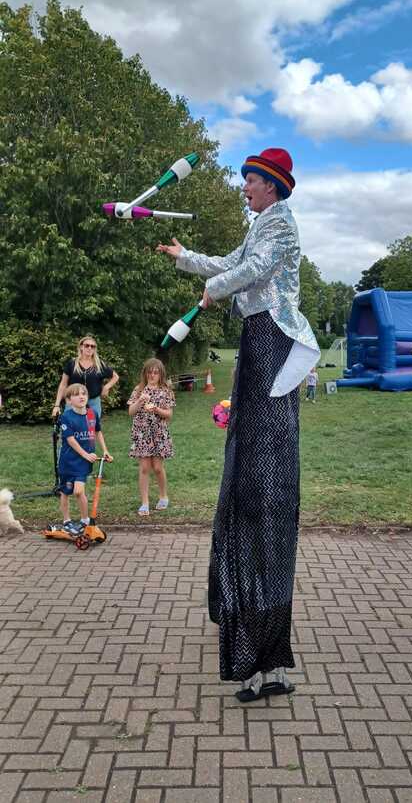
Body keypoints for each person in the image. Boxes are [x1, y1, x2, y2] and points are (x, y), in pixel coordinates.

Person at [157, 147, 319, 702]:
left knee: (262, 484)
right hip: (257, 343)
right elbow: (232, 262)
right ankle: (256, 639)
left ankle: (265, 651)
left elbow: (248, 273)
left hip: (274, 342)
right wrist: (185, 257)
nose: (244, 188)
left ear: (270, 186)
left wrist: (215, 289)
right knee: (247, 485)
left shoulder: (281, 226)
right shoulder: (260, 225)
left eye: (249, 181)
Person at [58, 383, 113, 536]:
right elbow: (70, 440)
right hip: (68, 461)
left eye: (84, 393)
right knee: (65, 491)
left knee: (78, 491)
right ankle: (66, 521)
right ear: (69, 400)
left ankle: (84, 520)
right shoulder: (66, 417)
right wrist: (85, 454)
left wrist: (105, 450)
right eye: (76, 394)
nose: (81, 396)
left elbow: (98, 432)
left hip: (83, 463)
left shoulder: (93, 413)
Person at [127, 358, 175, 515]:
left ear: (161, 374)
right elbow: (131, 412)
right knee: (144, 468)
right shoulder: (139, 389)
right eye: (150, 372)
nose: (152, 375)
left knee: (157, 468)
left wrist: (156, 409)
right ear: (145, 373)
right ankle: (145, 503)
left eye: (156, 372)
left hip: (159, 433)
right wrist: (140, 401)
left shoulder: (166, 390)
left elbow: (169, 415)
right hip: (142, 433)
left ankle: (163, 496)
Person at [52, 335, 119, 419]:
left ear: (95, 349)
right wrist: (57, 405)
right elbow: (63, 384)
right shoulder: (72, 363)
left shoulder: (100, 365)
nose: (89, 348)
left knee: (92, 430)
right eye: (87, 345)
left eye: (92, 346)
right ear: (81, 347)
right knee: (70, 429)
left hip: (93, 403)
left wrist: (106, 387)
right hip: (73, 402)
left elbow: (115, 376)